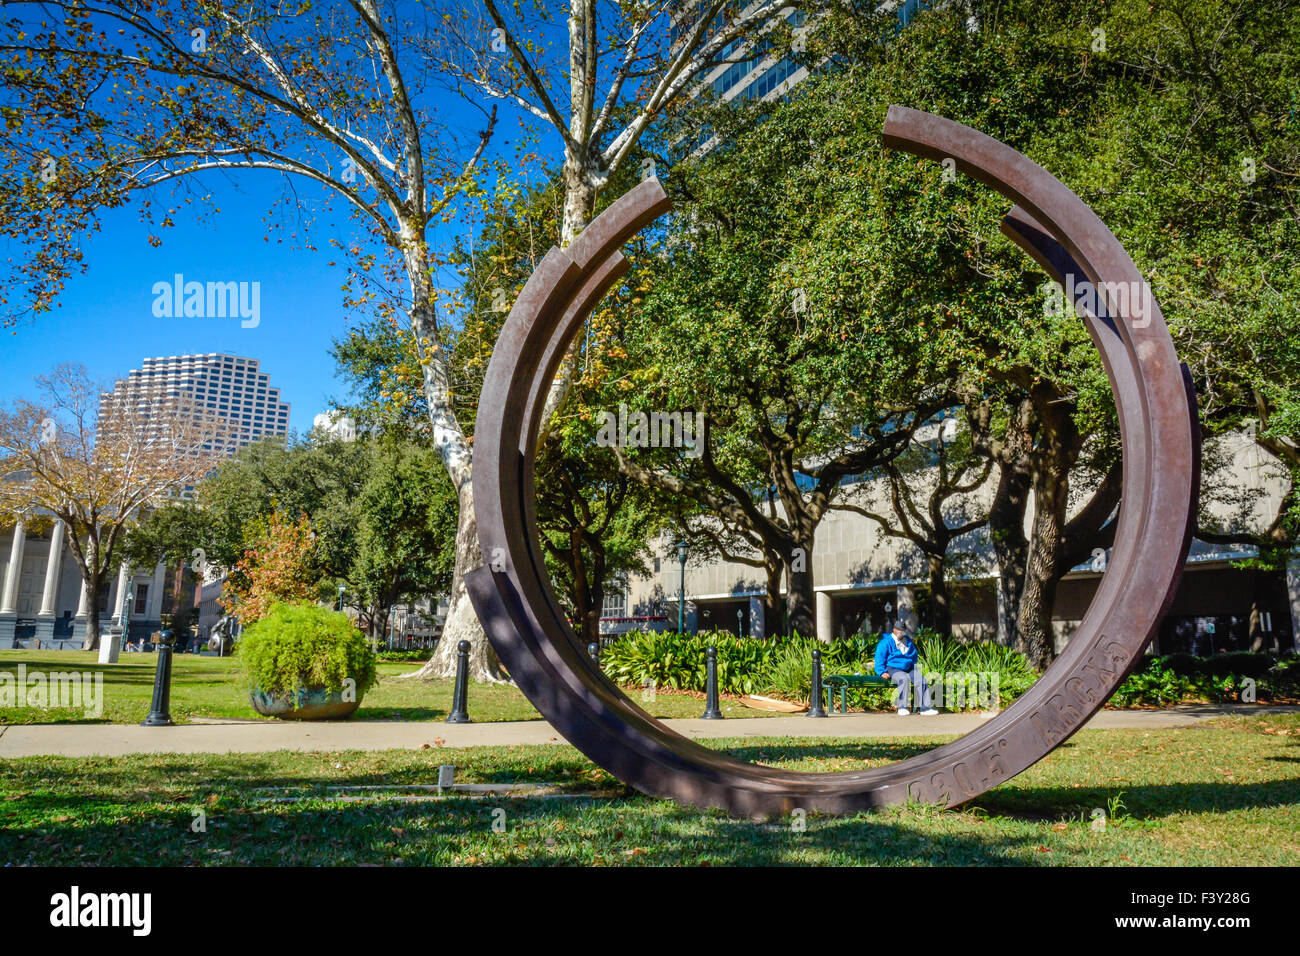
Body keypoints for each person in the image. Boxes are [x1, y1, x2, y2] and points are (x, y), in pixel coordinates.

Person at [874, 621, 938, 716]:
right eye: (899, 630)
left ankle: (925, 708)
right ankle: (902, 707)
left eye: (903, 630)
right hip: (893, 668)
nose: (901, 632)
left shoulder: (908, 641)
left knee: (921, 680)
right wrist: (882, 671)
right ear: (894, 630)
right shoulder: (885, 642)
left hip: (908, 668)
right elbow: (879, 658)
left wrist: (909, 662)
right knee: (903, 678)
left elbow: (914, 655)